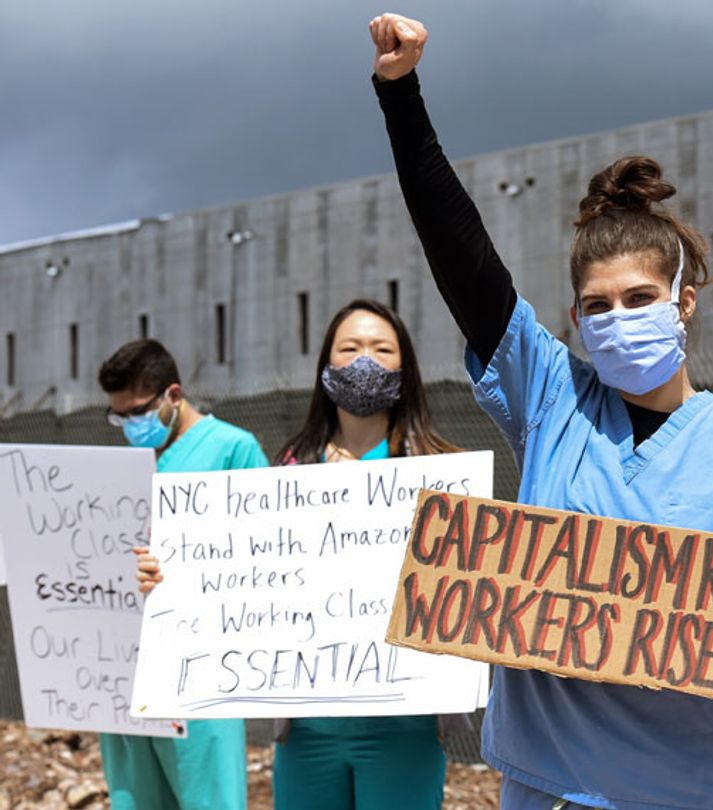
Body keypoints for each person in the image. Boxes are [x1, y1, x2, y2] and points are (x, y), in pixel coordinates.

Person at [369, 14, 713, 810]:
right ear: (574, 321)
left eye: (639, 299)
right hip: (552, 789)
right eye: (596, 305)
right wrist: (402, 96)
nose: (618, 317)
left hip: (697, 789)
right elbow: (461, 255)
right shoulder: (551, 399)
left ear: (684, 302)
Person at [136, 301, 456, 810]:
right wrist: (168, 577)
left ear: (405, 366)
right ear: (326, 366)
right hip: (307, 731)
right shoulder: (287, 470)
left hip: (404, 724)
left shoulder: (439, 469)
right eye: (349, 349)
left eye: (382, 349)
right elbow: (238, 575)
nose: (364, 361)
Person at [98, 338, 267, 810]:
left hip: (202, 673)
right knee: (135, 797)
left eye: (136, 413)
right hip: (124, 671)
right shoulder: (121, 469)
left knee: (207, 797)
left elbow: (265, 561)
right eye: (119, 417)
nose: (129, 426)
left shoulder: (234, 449)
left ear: (173, 395)